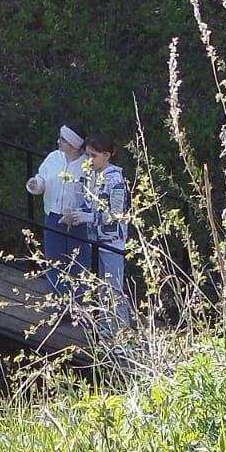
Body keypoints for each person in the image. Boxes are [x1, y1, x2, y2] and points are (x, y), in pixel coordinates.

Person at [26, 124, 88, 294]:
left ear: (74, 145)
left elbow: (90, 196)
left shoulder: (86, 165)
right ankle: (57, 306)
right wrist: (35, 184)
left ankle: (79, 308)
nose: (58, 142)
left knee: (78, 265)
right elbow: (42, 179)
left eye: (63, 140)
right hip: (53, 217)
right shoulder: (54, 158)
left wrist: (79, 212)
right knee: (54, 263)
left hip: (76, 221)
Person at [81, 133, 131, 329]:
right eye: (87, 155)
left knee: (113, 291)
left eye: (93, 156)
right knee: (101, 289)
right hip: (95, 241)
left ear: (107, 155)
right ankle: (105, 331)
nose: (89, 160)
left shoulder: (116, 180)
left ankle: (122, 339)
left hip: (111, 243)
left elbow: (116, 215)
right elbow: (89, 203)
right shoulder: (92, 175)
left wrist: (89, 217)